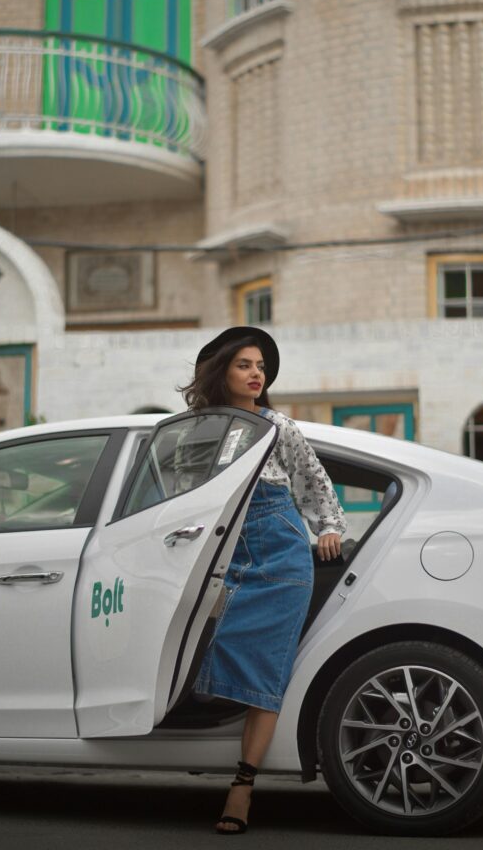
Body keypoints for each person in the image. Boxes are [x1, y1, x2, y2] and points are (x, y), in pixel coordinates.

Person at [179, 326, 346, 834]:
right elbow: (183, 494)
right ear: (222, 371)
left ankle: (242, 785)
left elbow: (315, 482)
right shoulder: (199, 429)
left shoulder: (279, 428)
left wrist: (329, 527)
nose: (256, 374)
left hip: (280, 559)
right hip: (221, 555)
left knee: (264, 679)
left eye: (260, 367)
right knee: (200, 655)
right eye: (244, 365)